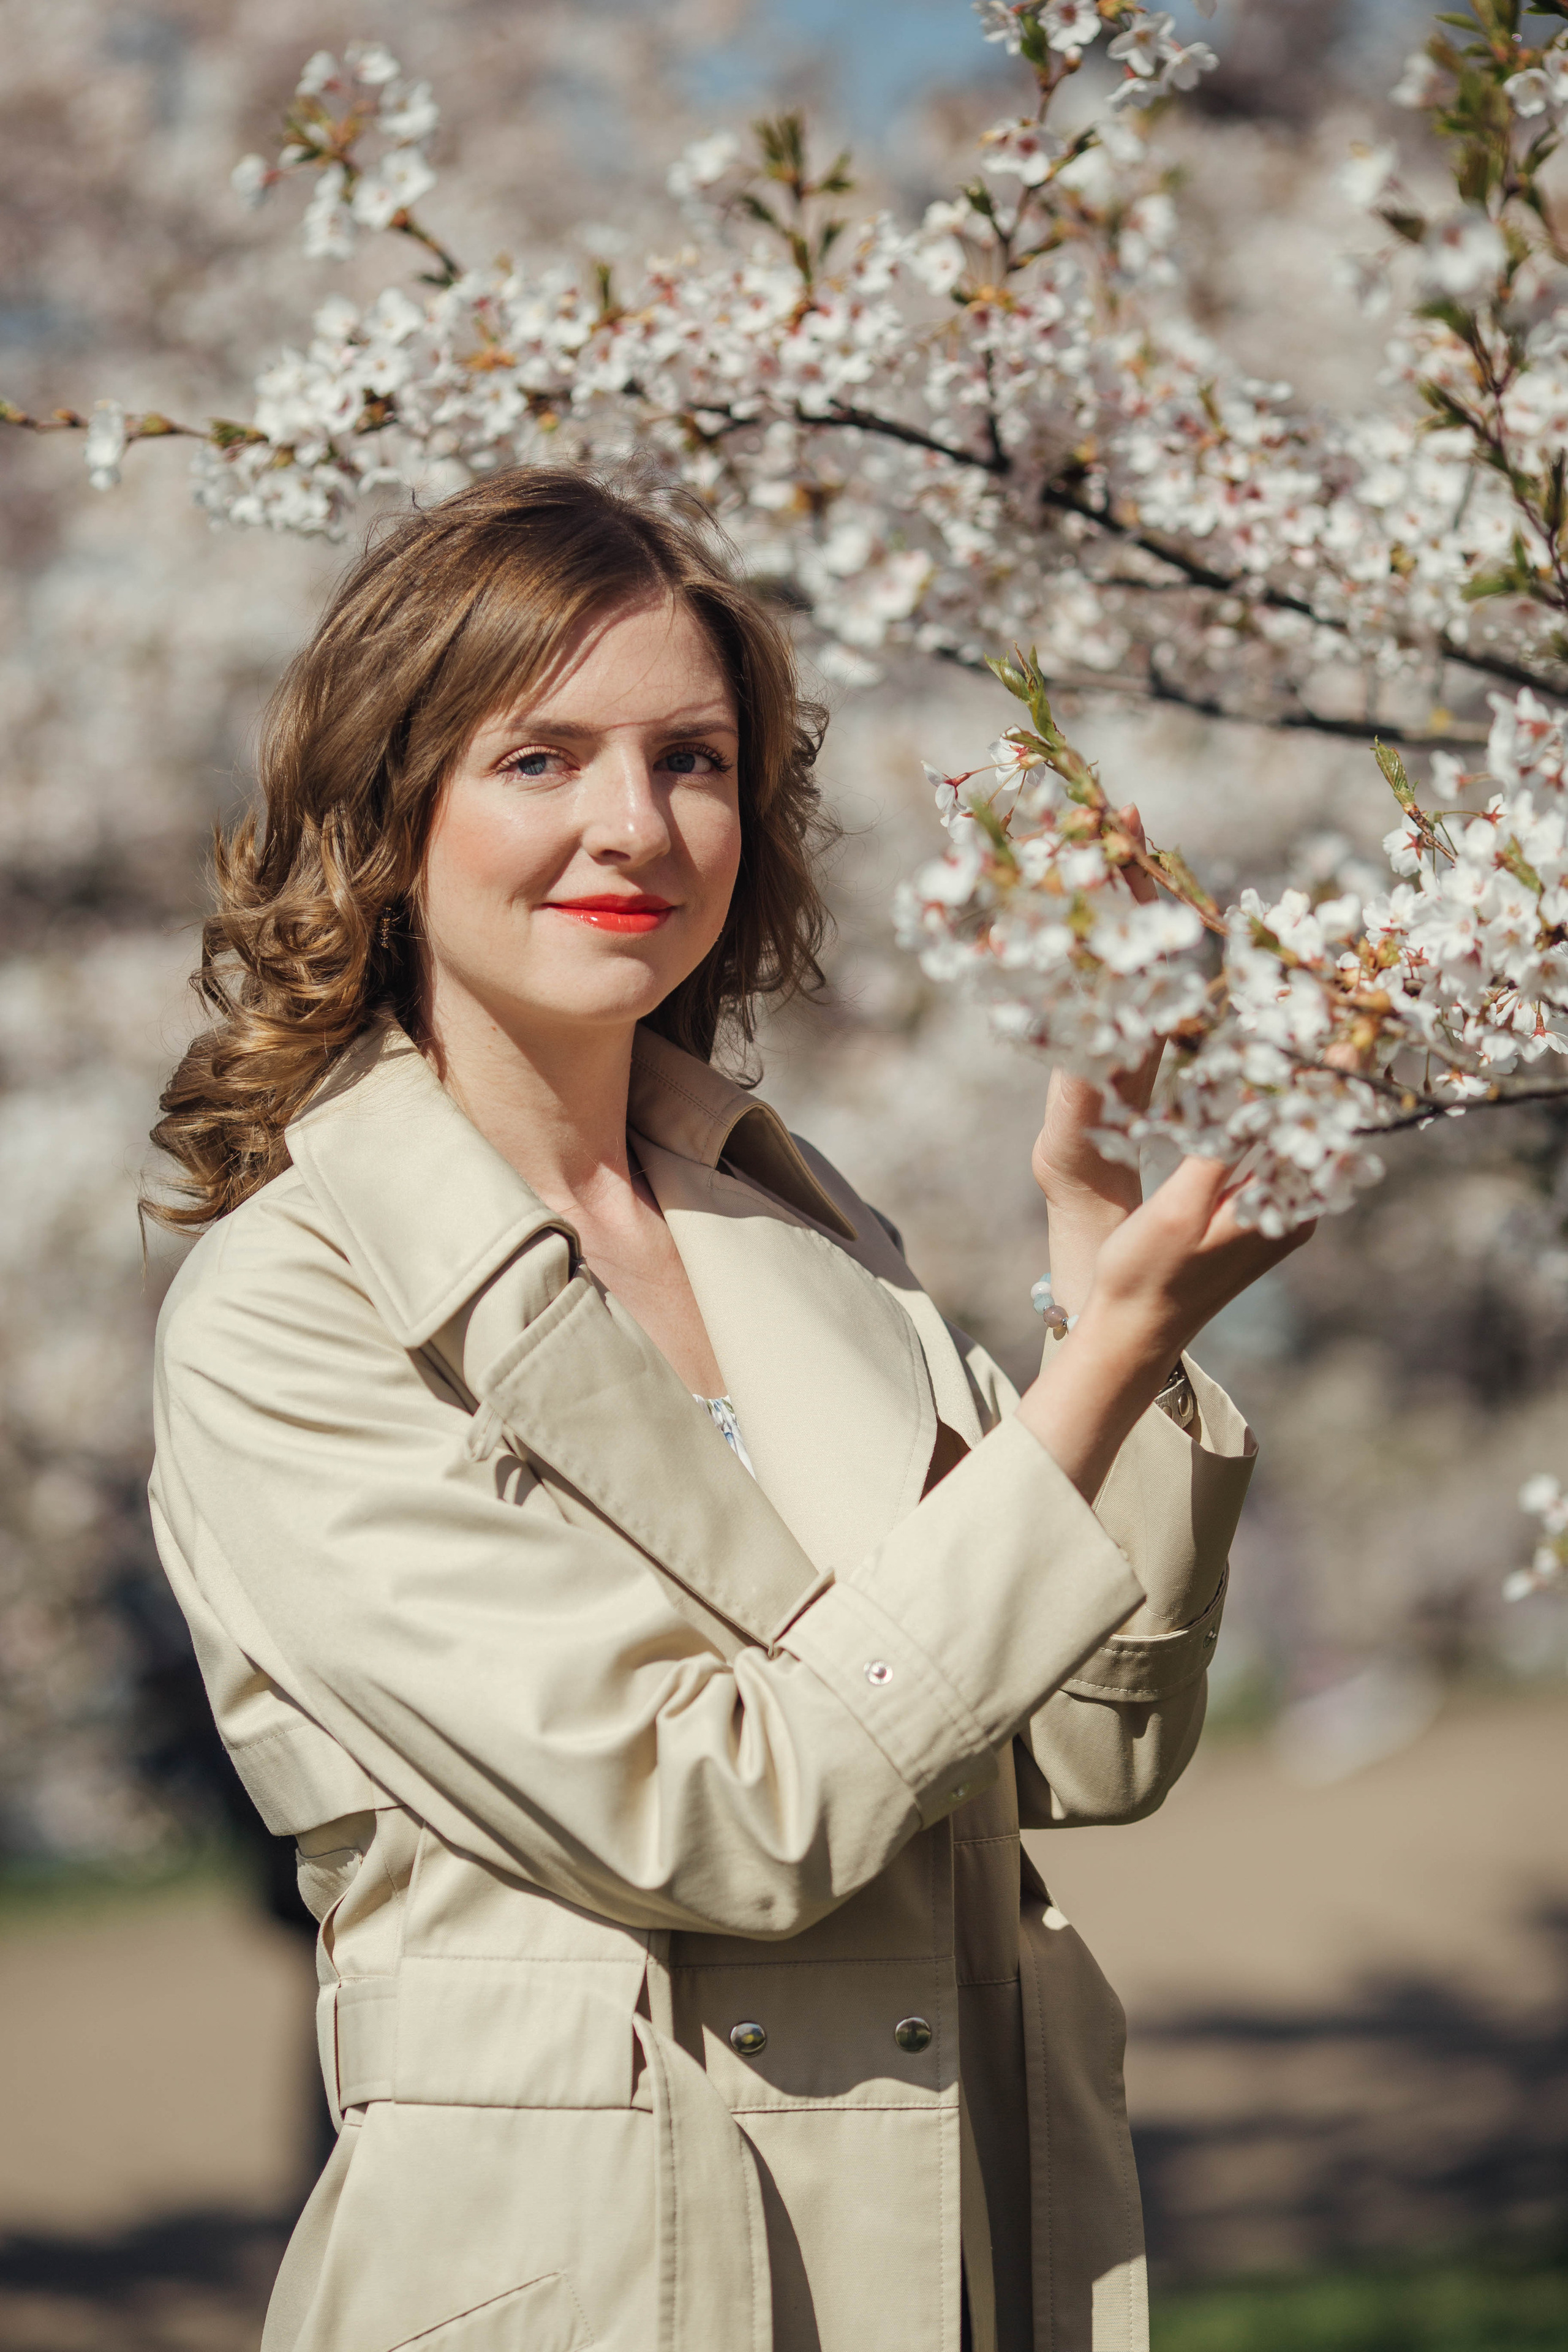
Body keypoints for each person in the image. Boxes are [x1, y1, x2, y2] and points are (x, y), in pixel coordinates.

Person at [146, 466, 1307, 2352]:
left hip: (956, 2252)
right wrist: (1090, 1378)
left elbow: (1085, 1752)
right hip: (599, 2282)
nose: (635, 823)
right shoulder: (291, 1309)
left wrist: (1115, 1312)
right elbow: (718, 1813)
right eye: (541, 756)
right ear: (390, 812)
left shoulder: (795, 1222)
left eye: (691, 759)